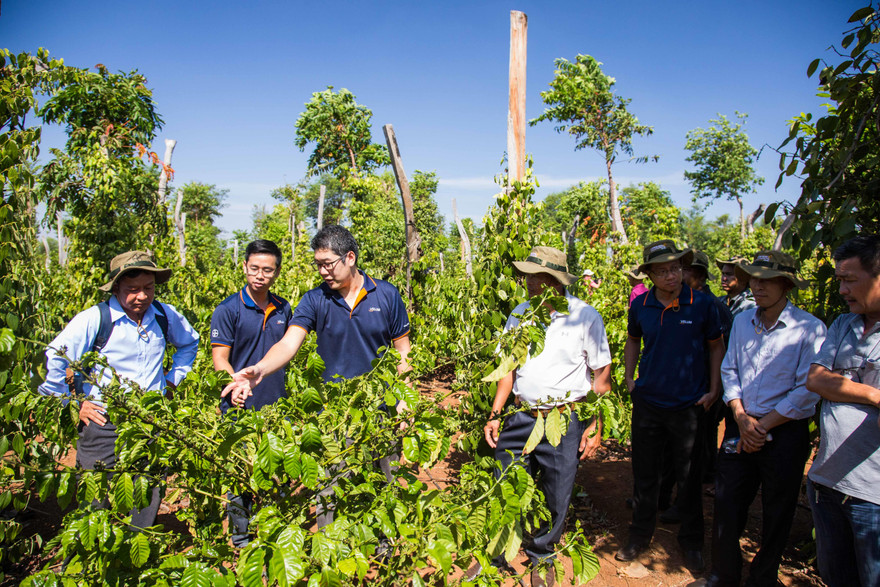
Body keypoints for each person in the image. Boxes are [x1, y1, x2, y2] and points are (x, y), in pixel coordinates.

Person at [224, 225, 411, 525]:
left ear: (349, 257)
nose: (323, 272)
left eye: (328, 264)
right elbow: (288, 343)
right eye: (318, 265)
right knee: (329, 489)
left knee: (384, 485)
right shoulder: (314, 300)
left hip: (381, 409)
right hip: (334, 415)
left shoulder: (386, 294)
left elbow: (403, 351)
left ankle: (385, 551)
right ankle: (328, 554)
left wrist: (403, 400)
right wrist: (258, 369)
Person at [476, 247, 612, 587]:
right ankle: (495, 553)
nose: (530, 283)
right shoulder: (520, 314)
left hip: (563, 420)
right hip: (521, 415)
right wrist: (495, 414)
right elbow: (507, 368)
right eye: (528, 276)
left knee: (557, 491)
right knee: (504, 483)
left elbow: (601, 375)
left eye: (538, 277)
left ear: (556, 281)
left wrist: (594, 426)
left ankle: (542, 556)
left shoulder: (585, 316)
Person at [39, 251, 199, 528]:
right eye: (132, 290)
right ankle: (91, 554)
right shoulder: (94, 319)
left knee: (147, 485)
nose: (142, 296)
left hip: (150, 420)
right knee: (95, 489)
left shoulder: (163, 315)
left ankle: (140, 538)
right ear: (116, 288)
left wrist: (172, 380)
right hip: (103, 420)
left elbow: (190, 343)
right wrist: (73, 403)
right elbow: (53, 358)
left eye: (148, 288)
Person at [707, 251, 826, 587]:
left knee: (778, 508)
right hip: (741, 424)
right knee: (728, 502)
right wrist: (741, 416)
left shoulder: (809, 329)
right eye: (754, 278)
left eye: (767, 280)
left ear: (786, 285)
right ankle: (724, 573)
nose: (757, 286)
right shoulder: (744, 321)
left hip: (785, 432)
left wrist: (764, 425)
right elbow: (729, 367)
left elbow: (807, 389)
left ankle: (763, 577)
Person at [619, 240, 724, 572]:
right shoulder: (642, 306)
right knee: (645, 473)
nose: (671, 275)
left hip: (688, 405)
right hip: (649, 402)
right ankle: (639, 535)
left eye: (676, 268)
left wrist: (713, 389)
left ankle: (691, 542)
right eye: (662, 270)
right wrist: (629, 376)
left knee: (689, 476)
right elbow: (633, 339)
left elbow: (716, 347)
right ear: (649, 274)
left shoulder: (703, 304)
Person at [806, 235, 880, 587]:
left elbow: (829, 383)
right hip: (826, 483)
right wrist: (874, 395)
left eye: (850, 280)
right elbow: (817, 380)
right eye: (838, 280)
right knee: (836, 577)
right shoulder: (842, 324)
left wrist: (841, 386)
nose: (842, 290)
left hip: (873, 494)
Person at [211, 239, 293, 546]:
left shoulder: (284, 308)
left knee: (278, 470)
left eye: (267, 270)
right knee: (240, 474)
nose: (260, 275)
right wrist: (235, 386)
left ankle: (277, 530)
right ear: (244, 266)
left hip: (276, 404)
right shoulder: (228, 310)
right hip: (239, 404)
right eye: (254, 268)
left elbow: (286, 350)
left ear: (276, 272)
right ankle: (241, 538)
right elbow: (220, 359)